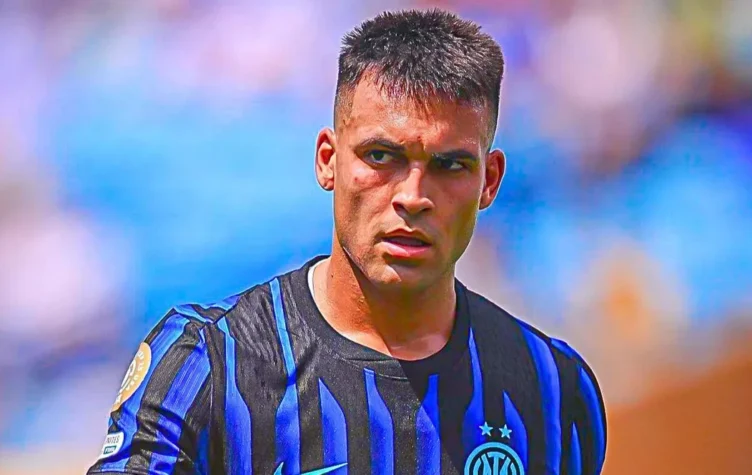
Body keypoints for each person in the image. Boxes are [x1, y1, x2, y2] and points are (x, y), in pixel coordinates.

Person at [87, 9, 606, 475]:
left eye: (450, 165)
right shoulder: (209, 363)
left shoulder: (552, 388)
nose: (413, 197)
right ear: (328, 161)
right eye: (381, 156)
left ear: (489, 181)